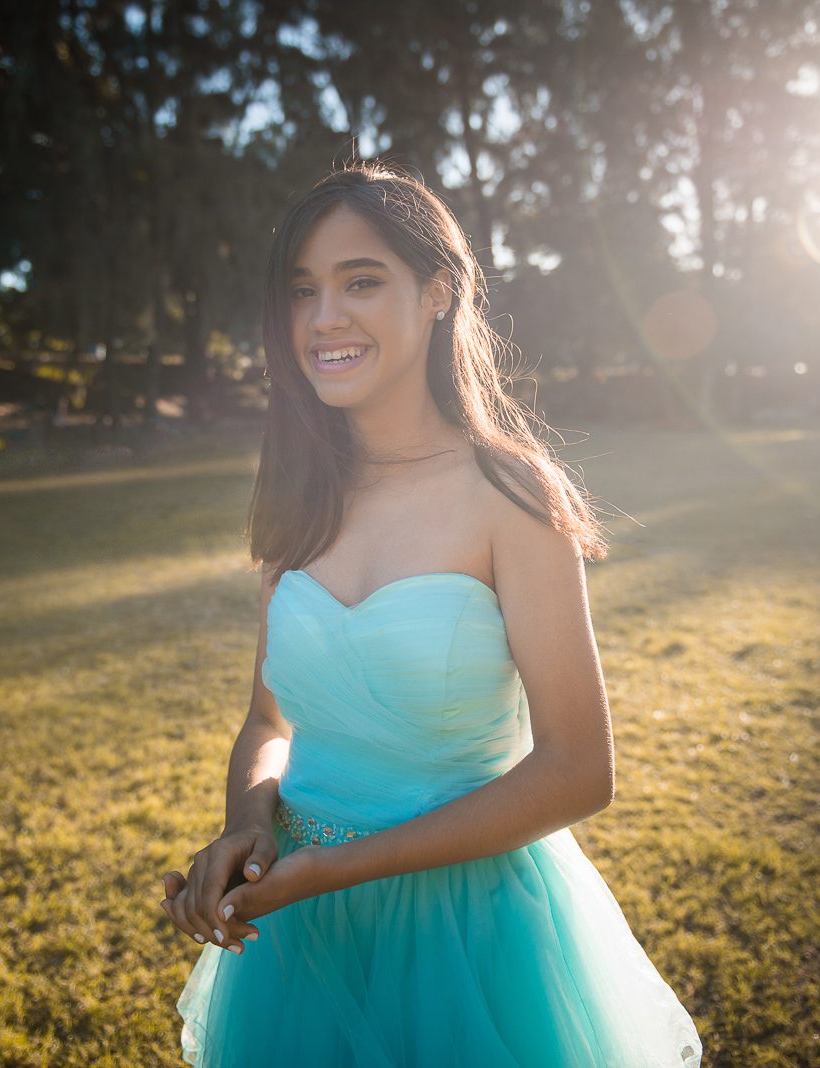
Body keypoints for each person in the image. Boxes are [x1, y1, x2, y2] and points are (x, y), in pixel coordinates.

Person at [159, 162, 702, 1067]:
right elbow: (268, 717)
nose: (324, 317)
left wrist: (339, 867)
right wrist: (248, 821)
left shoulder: (511, 496)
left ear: (439, 291)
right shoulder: (299, 496)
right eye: (303, 290)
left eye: (360, 281)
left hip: (470, 934)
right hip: (302, 928)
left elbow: (578, 771)